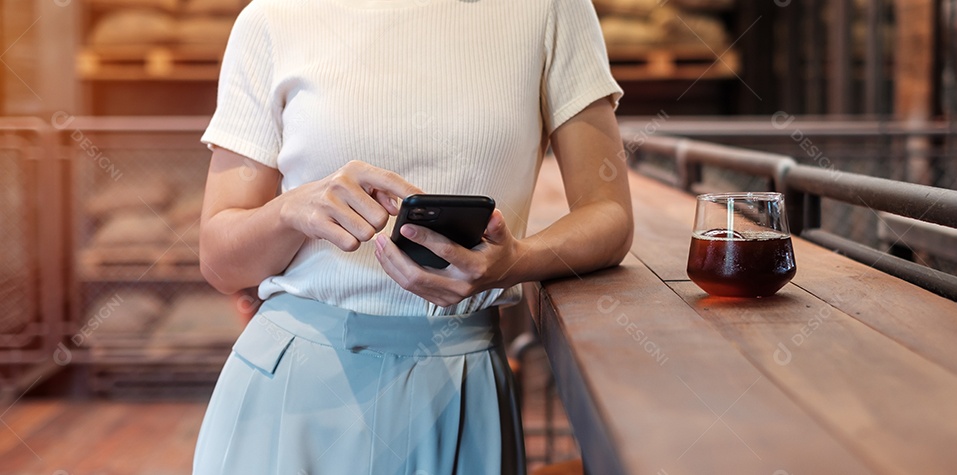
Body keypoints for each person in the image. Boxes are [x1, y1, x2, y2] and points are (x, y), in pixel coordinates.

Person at [191, 0, 633, 473]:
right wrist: (289, 210)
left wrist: (516, 262)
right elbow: (219, 262)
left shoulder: (550, 9)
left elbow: (609, 214)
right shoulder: (271, 18)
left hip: (461, 384)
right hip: (292, 389)